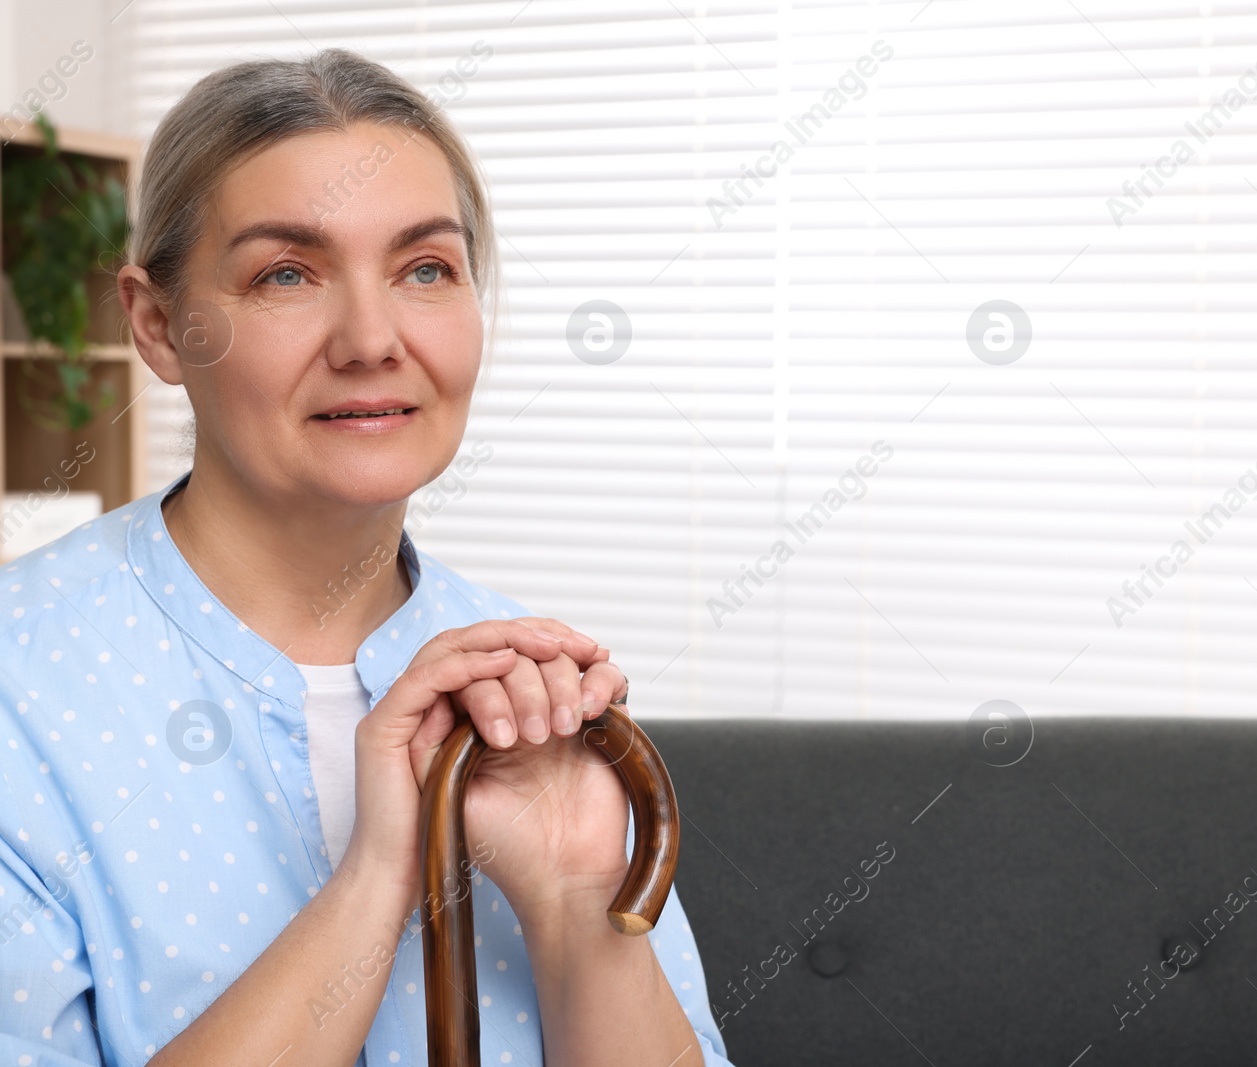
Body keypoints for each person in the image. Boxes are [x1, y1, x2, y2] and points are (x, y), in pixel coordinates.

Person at [0, 47, 731, 1067]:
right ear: (158, 325)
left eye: (425, 267)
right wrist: (378, 871)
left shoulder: (529, 690)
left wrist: (572, 902)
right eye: (285, 274)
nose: (372, 337)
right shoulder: (22, 683)